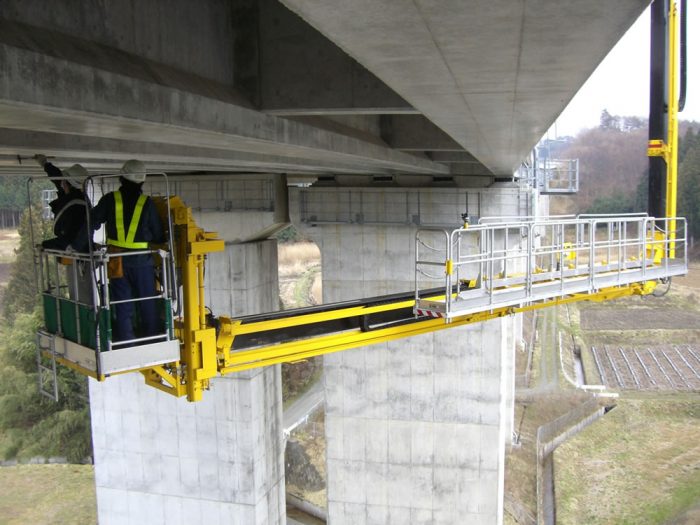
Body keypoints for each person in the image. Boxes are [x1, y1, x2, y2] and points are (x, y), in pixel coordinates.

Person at [88, 160, 165, 343]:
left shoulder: (109, 199)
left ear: (121, 178)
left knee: (122, 303)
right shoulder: (146, 203)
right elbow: (158, 235)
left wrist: (89, 245)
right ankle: (152, 338)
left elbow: (91, 221)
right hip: (142, 262)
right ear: (142, 182)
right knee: (147, 302)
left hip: (117, 259)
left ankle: (126, 340)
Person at [35, 154, 92, 304]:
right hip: (80, 253)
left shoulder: (75, 206)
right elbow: (57, 178)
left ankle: (88, 318)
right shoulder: (77, 198)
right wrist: (46, 165)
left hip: (78, 255)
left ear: (68, 183)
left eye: (63, 182)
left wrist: (46, 245)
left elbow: (69, 238)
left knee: (82, 297)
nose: (61, 184)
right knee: (80, 293)